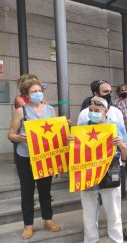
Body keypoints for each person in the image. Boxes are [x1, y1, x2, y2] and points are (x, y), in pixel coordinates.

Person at [8, 78, 61, 240]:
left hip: (45, 156)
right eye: (33, 92)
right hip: (26, 157)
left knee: (46, 190)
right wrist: (20, 137)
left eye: (39, 91)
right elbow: (10, 134)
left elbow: (55, 133)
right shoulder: (21, 111)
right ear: (26, 94)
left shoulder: (50, 110)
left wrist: (63, 126)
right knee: (27, 191)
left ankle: (48, 219)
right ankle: (28, 225)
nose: (38, 94)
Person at [78, 96, 127, 243]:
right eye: (91, 110)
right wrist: (71, 143)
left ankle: (116, 240)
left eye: (97, 110)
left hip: (110, 173)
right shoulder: (81, 127)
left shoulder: (115, 126)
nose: (93, 113)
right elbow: (74, 154)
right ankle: (90, 241)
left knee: (114, 214)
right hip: (87, 174)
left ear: (106, 111)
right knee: (88, 215)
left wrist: (121, 144)